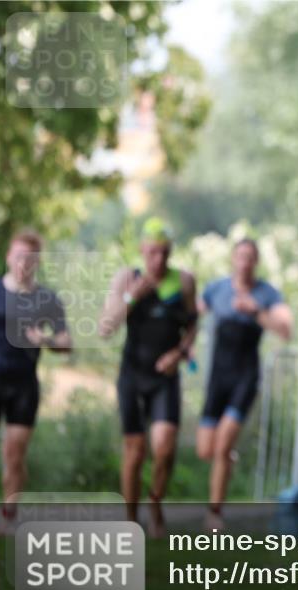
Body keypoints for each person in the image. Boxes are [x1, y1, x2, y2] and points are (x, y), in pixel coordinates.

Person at [99, 218, 198, 537]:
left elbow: (193, 324)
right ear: (142, 249)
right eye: (153, 252)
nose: (159, 259)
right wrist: (131, 297)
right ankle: (131, 519)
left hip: (164, 377)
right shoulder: (128, 278)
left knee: (165, 448)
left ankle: (155, 502)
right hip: (132, 375)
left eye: (165, 252)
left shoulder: (184, 282)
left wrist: (179, 353)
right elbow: (105, 328)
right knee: (135, 450)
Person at [196, 238, 292, 531]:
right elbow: (190, 315)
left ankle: (214, 514)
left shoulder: (266, 293)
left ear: (256, 261)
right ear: (233, 259)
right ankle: (227, 458)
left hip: (245, 377)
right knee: (206, 451)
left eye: (250, 257)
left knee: (223, 444)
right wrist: (183, 347)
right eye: (240, 256)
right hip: (218, 378)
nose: (244, 262)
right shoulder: (217, 289)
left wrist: (256, 312)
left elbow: (286, 329)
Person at [0, 230, 72, 519]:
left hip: (24, 387)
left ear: (37, 262)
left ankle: (9, 511)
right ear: (9, 257)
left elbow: (66, 342)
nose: (23, 264)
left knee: (14, 456)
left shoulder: (47, 299)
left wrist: (46, 340)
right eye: (19, 257)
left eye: (30, 259)